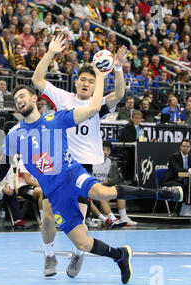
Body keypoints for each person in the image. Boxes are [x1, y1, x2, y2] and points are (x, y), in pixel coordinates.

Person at [0, 81, 183, 283]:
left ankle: (162, 193)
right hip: (55, 192)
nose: (19, 100)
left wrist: (100, 75)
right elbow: (4, 162)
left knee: (102, 193)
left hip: (72, 174)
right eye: (16, 99)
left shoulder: (56, 118)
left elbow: (93, 109)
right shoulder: (15, 133)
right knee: (84, 243)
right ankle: (121, 255)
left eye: (23, 96)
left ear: (35, 99)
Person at [32, 35, 129, 232]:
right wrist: (51, 52)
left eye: (90, 81)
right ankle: (49, 253)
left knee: (80, 219)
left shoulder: (97, 104)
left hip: (82, 164)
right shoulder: (63, 97)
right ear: (76, 82)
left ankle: (79, 252)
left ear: (95, 85)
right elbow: (37, 79)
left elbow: (119, 94)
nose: (86, 84)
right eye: (82, 80)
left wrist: (117, 68)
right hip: (59, 162)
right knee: (49, 216)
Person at [90, 141, 135, 227]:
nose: (105, 152)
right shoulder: (92, 162)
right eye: (103, 150)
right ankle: (108, 219)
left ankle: (123, 217)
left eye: (108, 150)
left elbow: (105, 179)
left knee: (119, 191)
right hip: (90, 190)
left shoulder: (109, 162)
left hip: (100, 189)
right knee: (100, 196)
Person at [15, 157, 43, 226]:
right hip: (24, 188)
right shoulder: (24, 161)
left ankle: (54, 219)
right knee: (42, 192)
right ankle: (43, 221)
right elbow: (28, 181)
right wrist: (42, 186)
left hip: (35, 186)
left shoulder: (39, 160)